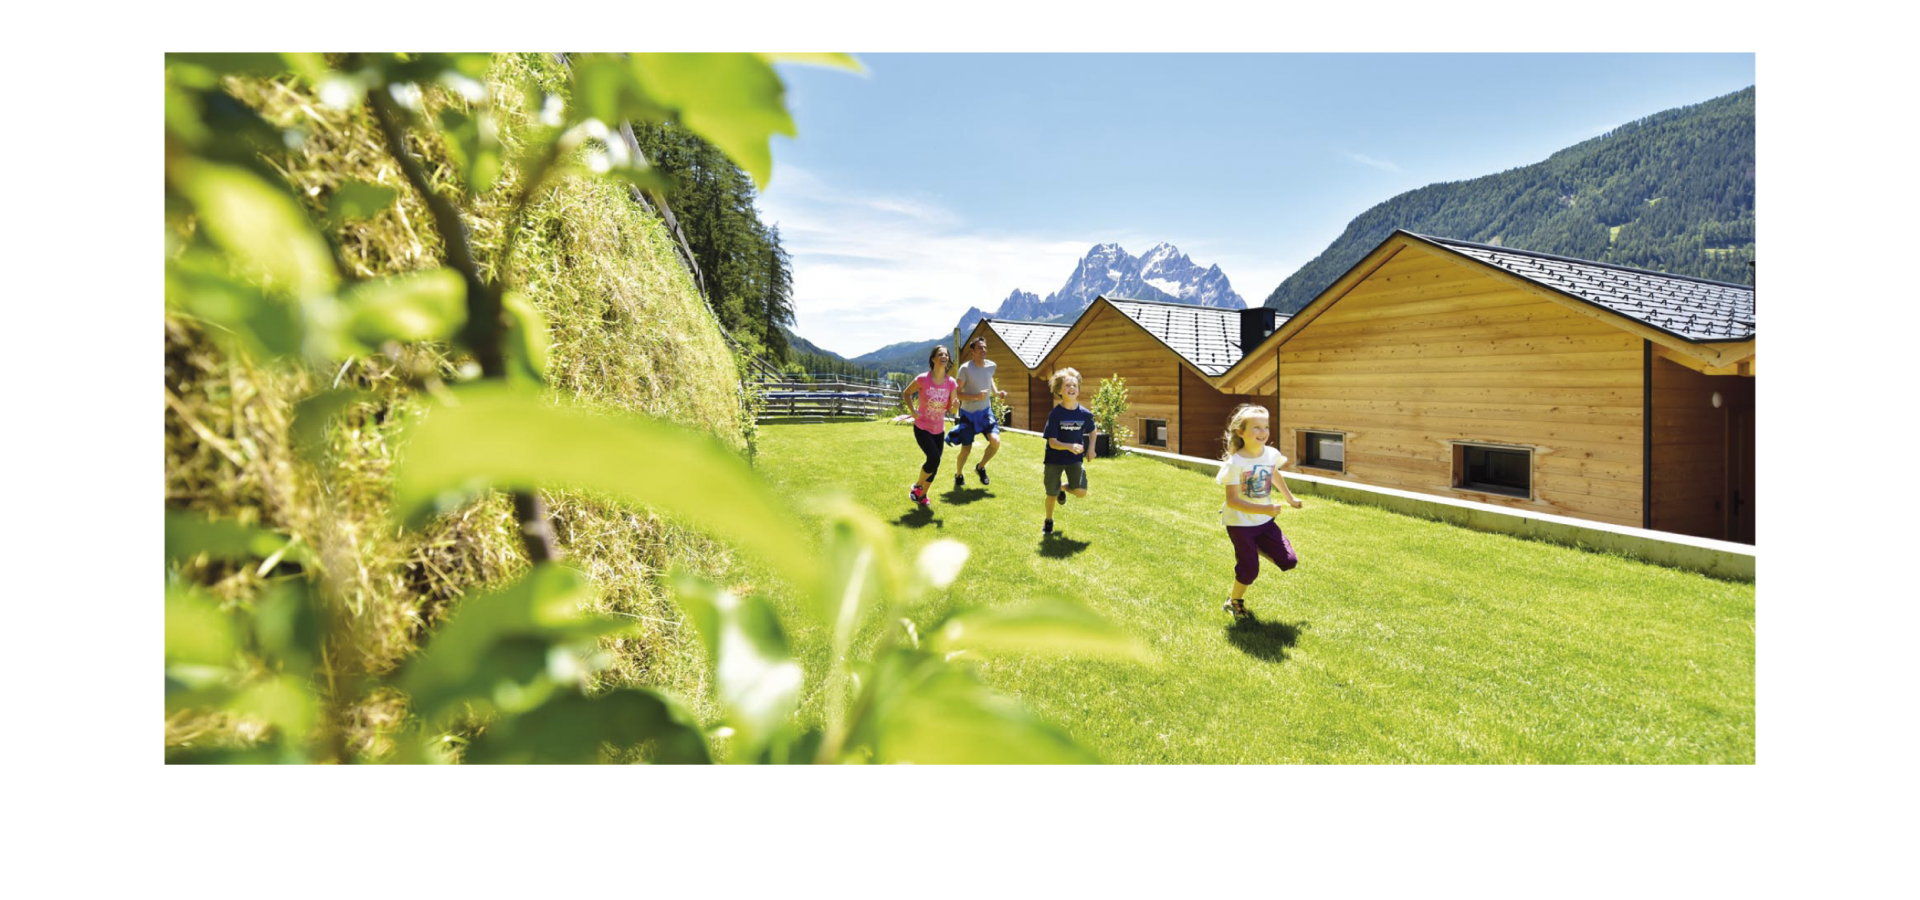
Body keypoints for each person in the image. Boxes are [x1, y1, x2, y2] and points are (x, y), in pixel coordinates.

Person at [1215, 404, 1303, 621]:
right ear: (1241, 432)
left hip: (1264, 521)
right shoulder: (1235, 464)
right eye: (1256, 427)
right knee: (1249, 569)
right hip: (1240, 523)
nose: (1263, 432)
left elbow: (1275, 475)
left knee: (1289, 561)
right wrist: (1267, 508)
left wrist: (1290, 498)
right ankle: (1234, 602)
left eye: (1265, 427)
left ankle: (1256, 547)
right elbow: (1233, 501)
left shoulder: (1271, 454)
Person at [1040, 367, 1096, 536]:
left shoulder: (1084, 414)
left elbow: (1093, 431)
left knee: (1081, 492)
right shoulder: (1055, 414)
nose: (1072, 388)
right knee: (1051, 494)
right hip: (1054, 459)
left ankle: (1062, 489)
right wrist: (1070, 446)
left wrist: (1091, 448)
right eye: (1067, 385)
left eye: (1074, 385)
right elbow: (1053, 442)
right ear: (1059, 391)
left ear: (1078, 390)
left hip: (1074, 459)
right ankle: (1048, 520)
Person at [901, 345, 958, 508]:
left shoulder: (951, 383)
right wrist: (912, 411)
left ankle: (922, 495)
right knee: (933, 458)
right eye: (940, 354)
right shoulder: (922, 379)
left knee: (935, 463)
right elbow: (907, 393)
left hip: (938, 429)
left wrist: (955, 405)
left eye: (946, 355)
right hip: (922, 427)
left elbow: (953, 409)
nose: (944, 356)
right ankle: (918, 486)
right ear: (933, 359)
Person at [949, 336, 1010, 489]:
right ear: (972, 352)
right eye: (980, 348)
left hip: (985, 412)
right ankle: (958, 474)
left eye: (985, 347)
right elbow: (957, 393)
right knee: (966, 449)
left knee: (995, 442)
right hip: (968, 414)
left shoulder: (991, 366)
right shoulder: (965, 368)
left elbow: (989, 379)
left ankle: (980, 467)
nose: (983, 350)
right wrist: (976, 396)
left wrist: (997, 393)